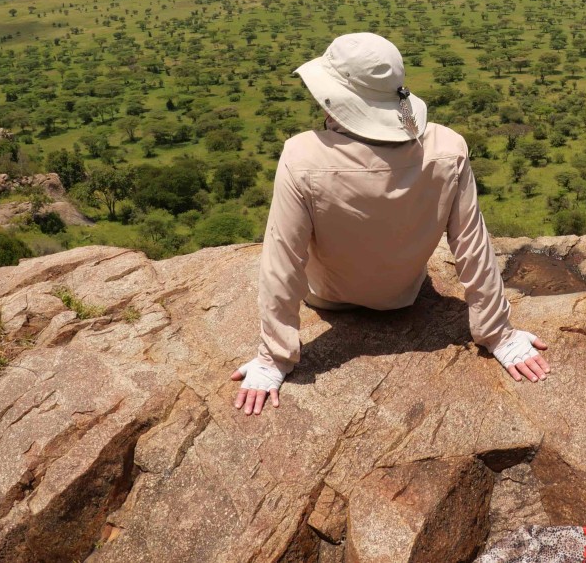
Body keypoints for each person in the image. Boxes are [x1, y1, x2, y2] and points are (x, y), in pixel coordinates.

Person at [231, 32, 551, 416]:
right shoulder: (447, 147)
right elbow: (472, 245)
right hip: (405, 294)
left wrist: (274, 358)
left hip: (326, 297)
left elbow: (282, 262)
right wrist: (499, 333)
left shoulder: (302, 155)